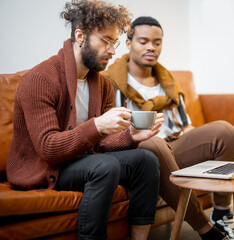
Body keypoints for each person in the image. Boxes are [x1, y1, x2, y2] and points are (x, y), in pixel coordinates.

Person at [6, 2, 165, 240]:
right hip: (45, 168)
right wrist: (97, 126)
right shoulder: (39, 79)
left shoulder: (102, 84)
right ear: (80, 36)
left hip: (82, 159)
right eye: (106, 41)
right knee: (104, 166)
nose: (112, 51)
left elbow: (102, 143)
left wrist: (131, 136)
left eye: (115, 42)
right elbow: (48, 148)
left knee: (146, 159)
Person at [102, 16, 234, 240]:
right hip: (137, 152)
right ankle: (206, 229)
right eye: (143, 41)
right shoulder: (110, 82)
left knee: (225, 132)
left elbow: (185, 127)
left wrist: (224, 147)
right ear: (128, 44)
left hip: (173, 147)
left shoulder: (168, 82)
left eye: (157, 42)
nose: (151, 47)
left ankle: (221, 214)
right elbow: (110, 133)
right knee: (152, 144)